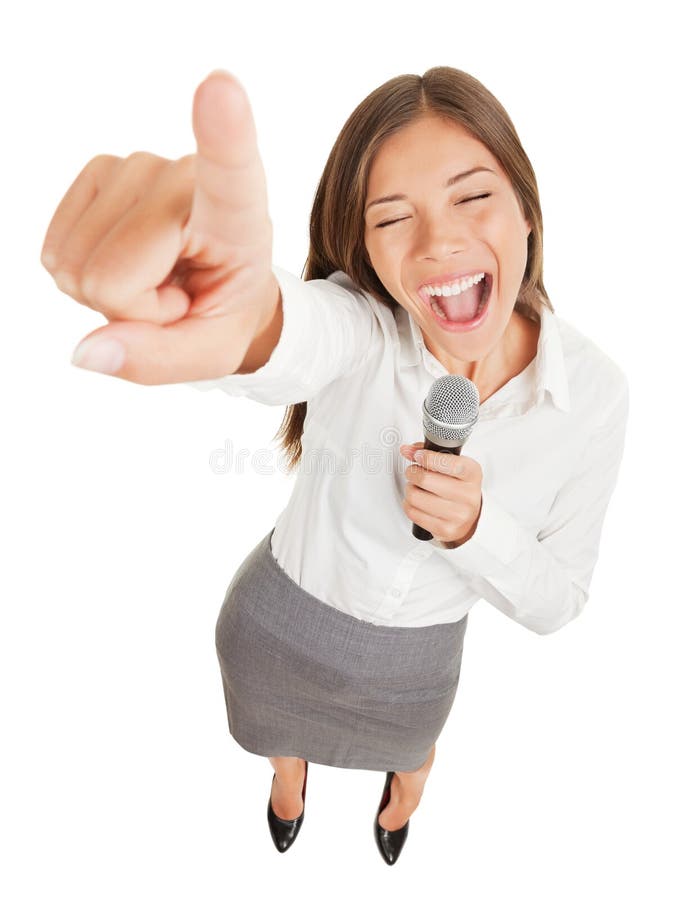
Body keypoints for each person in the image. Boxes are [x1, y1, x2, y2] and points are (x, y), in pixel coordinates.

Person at [40, 67, 630, 865]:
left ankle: (397, 807)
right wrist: (230, 309)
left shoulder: (593, 396)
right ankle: (289, 787)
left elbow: (557, 602)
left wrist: (476, 530)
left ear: (525, 205)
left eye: (471, 196)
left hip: (417, 665)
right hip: (277, 626)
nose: (438, 242)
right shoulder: (365, 327)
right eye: (392, 218)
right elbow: (291, 329)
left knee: (411, 754)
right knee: (274, 733)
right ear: (367, 254)